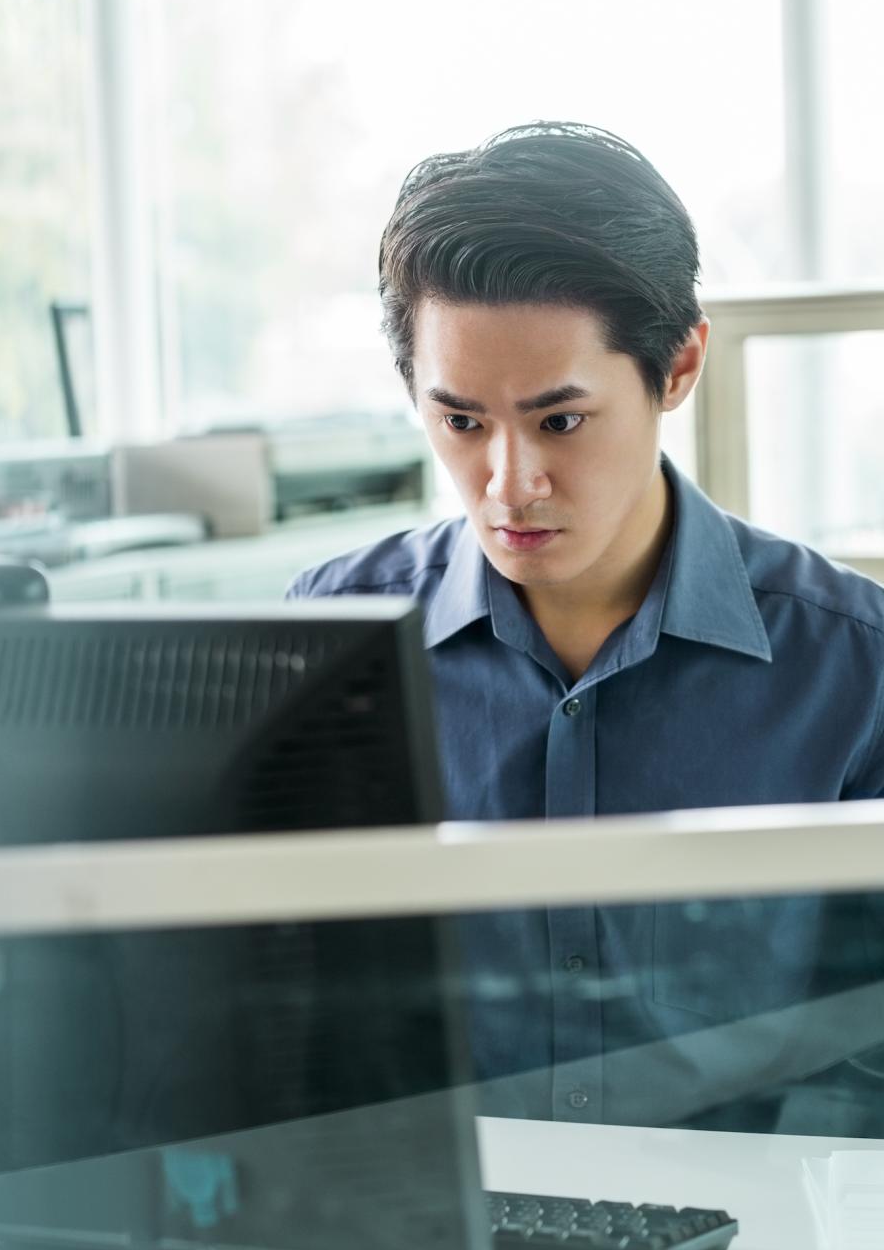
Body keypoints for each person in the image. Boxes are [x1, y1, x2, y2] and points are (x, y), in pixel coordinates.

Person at [287, 122, 884, 1134]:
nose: (509, 483)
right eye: (462, 422)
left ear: (679, 365)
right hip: (430, 1245)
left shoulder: (855, 668)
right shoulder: (328, 642)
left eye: (559, 420)